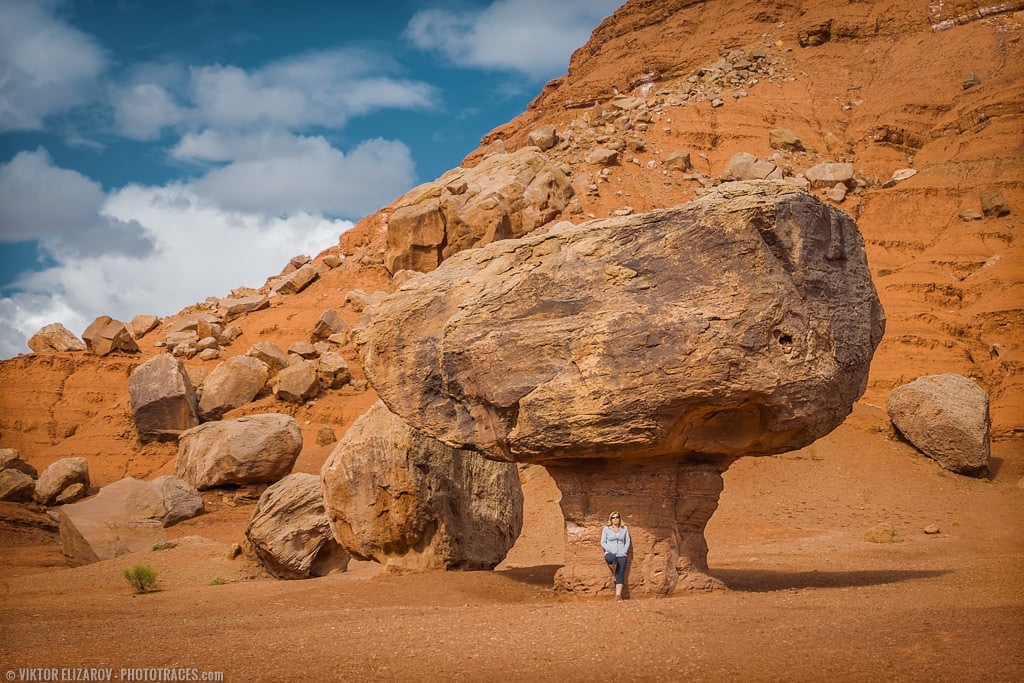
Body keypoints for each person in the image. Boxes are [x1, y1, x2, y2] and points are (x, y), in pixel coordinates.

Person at [601, 511, 630, 601]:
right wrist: (609, 549)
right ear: (611, 519)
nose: (615, 519)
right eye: (613, 518)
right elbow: (603, 541)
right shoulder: (606, 529)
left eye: (617, 517)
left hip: (622, 554)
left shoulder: (624, 528)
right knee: (612, 559)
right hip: (610, 553)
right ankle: (614, 571)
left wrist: (624, 551)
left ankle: (618, 595)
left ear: (620, 518)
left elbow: (627, 541)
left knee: (620, 574)